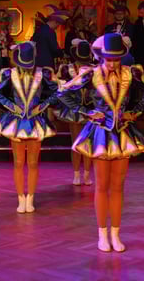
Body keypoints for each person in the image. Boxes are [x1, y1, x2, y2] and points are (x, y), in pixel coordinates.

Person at [58, 33, 144, 253]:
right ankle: (102, 234)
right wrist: (86, 112)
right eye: (108, 59)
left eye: (116, 59)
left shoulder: (131, 73)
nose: (112, 63)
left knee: (118, 186)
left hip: (122, 133)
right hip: (101, 133)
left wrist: (135, 112)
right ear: (101, 57)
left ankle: (116, 233)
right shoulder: (91, 74)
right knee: (102, 186)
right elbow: (63, 92)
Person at [0, 41, 60, 214]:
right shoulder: (9, 73)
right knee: (19, 162)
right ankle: (21, 198)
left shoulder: (43, 73)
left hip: (35, 121)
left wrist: (43, 105)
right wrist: (10, 105)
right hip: (17, 121)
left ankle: (30, 198)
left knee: (33, 163)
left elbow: (60, 90)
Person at [54, 39, 94, 186]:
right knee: (76, 142)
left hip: (90, 110)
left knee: (88, 143)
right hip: (73, 109)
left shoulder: (94, 70)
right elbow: (60, 88)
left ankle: (87, 174)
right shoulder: (67, 69)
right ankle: (77, 174)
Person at [31, 5, 69, 69]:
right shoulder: (51, 32)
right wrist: (62, 54)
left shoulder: (39, 30)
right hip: (47, 64)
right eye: (58, 24)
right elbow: (55, 49)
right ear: (55, 21)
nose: (57, 27)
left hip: (36, 63)